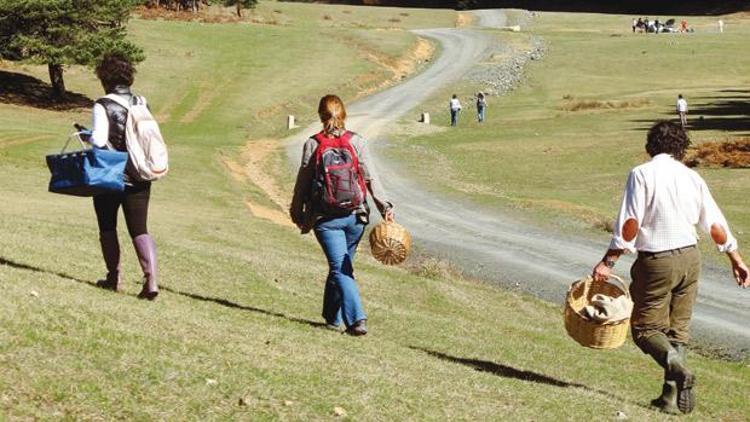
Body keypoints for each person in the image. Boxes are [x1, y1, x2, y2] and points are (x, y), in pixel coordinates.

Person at [592, 121, 750, 415]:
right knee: (677, 331)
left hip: (657, 260)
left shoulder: (641, 174)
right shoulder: (691, 177)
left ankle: (676, 367)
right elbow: (714, 223)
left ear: (650, 146)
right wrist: (736, 259)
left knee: (644, 328)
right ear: (680, 148)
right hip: (691, 258)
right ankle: (668, 398)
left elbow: (630, 224)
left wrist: (608, 261)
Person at [290, 94, 394, 336]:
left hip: (326, 220)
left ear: (320, 116)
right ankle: (330, 316)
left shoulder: (313, 144)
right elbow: (370, 178)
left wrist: (297, 212)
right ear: (344, 115)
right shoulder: (357, 142)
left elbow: (302, 183)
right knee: (341, 265)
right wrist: (385, 207)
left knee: (340, 267)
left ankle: (357, 320)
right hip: (356, 217)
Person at [88, 54, 159, 300]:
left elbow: (98, 139)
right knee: (139, 229)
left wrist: (87, 136)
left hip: (110, 173)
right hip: (140, 173)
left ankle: (113, 277)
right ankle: (151, 281)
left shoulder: (103, 104)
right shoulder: (142, 101)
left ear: (105, 77)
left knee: (108, 225)